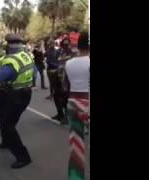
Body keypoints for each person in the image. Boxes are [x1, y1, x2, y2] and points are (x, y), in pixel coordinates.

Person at [0, 34, 37, 169]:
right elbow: (34, 72)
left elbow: (0, 77)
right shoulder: (26, 56)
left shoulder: (11, 60)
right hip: (22, 92)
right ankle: (6, 141)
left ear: (8, 45)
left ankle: (23, 157)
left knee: (8, 126)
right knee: (4, 118)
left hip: (14, 95)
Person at [65, 32, 90, 180]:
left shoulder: (69, 63)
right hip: (87, 102)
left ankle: (75, 177)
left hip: (73, 103)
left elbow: (66, 85)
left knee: (76, 145)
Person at [52, 38, 72, 124]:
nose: (65, 46)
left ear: (69, 44)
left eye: (67, 44)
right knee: (56, 96)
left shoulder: (72, 53)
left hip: (67, 80)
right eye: (64, 44)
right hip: (58, 77)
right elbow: (58, 63)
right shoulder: (61, 52)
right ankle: (60, 114)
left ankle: (66, 117)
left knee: (65, 99)